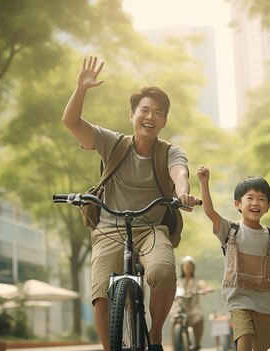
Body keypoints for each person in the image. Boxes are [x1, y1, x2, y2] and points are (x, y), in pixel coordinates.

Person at [61, 55, 201, 351]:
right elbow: (71, 121)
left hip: (151, 228)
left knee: (162, 272)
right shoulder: (112, 143)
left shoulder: (169, 152)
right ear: (132, 114)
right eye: (144, 110)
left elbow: (180, 173)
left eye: (158, 113)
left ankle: (156, 335)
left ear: (164, 121)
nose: (150, 117)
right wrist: (81, 89)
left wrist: (183, 192)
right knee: (100, 292)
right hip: (110, 228)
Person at [196, 166, 270, 351]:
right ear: (237, 204)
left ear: (267, 206)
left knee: (264, 344)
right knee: (243, 338)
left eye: (261, 199)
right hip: (238, 298)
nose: (255, 203)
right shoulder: (230, 229)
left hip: (264, 300)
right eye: (250, 198)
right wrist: (204, 183)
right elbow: (210, 212)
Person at [172, 256, 213, 350]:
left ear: (193, 268)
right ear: (182, 267)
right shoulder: (177, 282)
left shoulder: (197, 282)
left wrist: (205, 290)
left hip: (193, 309)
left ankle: (197, 343)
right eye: (186, 266)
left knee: (199, 318)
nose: (187, 267)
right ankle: (175, 345)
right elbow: (171, 288)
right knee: (174, 320)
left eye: (190, 266)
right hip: (180, 308)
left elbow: (203, 286)